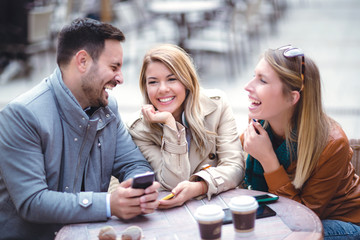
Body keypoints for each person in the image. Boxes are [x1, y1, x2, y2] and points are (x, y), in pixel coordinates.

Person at [0, 18, 160, 240]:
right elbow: (33, 202)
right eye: (114, 67)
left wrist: (140, 189)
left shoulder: (107, 108)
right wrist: (109, 204)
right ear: (82, 61)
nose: (120, 78)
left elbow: (132, 163)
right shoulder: (22, 115)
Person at [241, 45, 360, 239]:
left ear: (291, 98)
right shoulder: (259, 123)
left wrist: (269, 160)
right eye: (253, 75)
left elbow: (300, 221)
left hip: (343, 223)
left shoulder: (332, 143)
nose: (248, 86)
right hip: (293, 218)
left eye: (262, 80)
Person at [126, 44, 245, 209]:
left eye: (172, 79)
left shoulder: (216, 105)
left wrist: (199, 187)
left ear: (187, 81)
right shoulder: (139, 129)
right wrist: (170, 124)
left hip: (217, 205)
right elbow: (173, 183)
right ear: (146, 88)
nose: (163, 89)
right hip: (174, 215)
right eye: (153, 82)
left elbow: (235, 167)